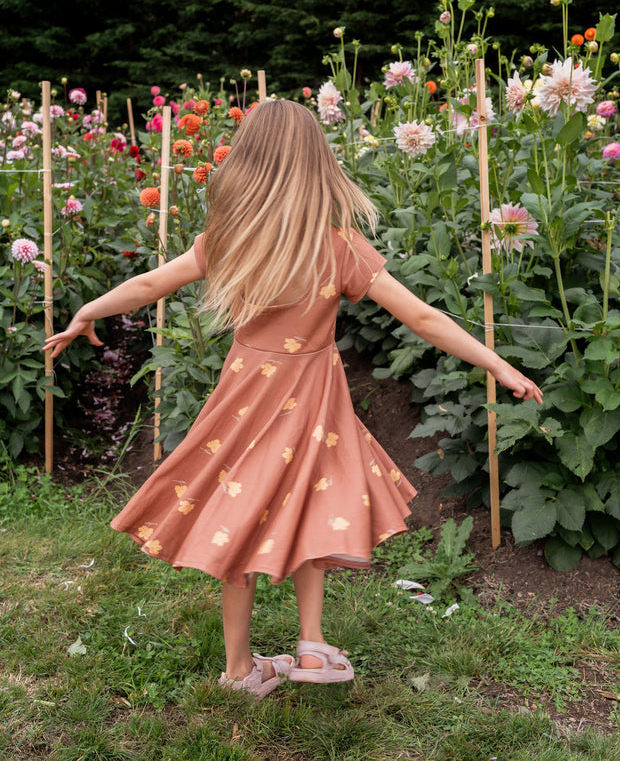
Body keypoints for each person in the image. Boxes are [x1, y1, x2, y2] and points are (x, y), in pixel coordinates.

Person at [44, 99, 542, 699]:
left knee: (237, 511)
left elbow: (150, 285)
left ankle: (238, 669)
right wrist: (498, 365)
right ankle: (311, 643)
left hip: (246, 399)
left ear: (248, 163)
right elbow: (423, 317)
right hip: (314, 401)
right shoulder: (340, 247)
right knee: (316, 501)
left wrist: (87, 310)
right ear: (317, 165)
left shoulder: (229, 242)